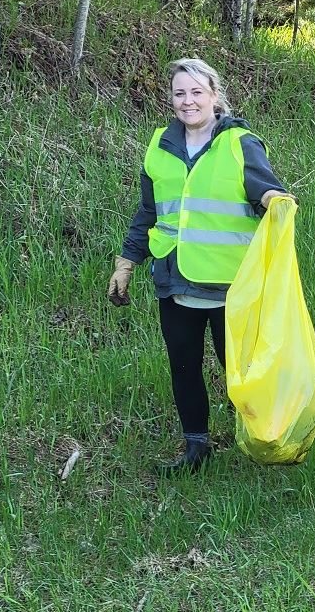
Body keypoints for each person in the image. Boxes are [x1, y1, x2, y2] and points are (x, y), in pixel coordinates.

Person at [107, 58, 291, 473]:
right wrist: (127, 263)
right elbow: (148, 211)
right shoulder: (161, 146)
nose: (187, 102)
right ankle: (196, 448)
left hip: (230, 286)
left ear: (214, 95)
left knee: (238, 373)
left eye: (196, 92)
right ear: (170, 99)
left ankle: (266, 439)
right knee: (183, 367)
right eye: (179, 93)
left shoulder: (240, 143)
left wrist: (274, 201)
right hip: (174, 280)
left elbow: (265, 190)